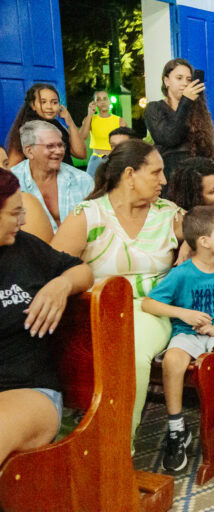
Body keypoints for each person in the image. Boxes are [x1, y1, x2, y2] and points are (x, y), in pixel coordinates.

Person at [50, 140, 184, 447]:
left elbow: (207, 236)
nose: (164, 181)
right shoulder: (88, 216)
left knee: (130, 353)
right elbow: (51, 269)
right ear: (129, 175)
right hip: (95, 311)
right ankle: (74, 436)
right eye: (156, 172)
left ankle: (120, 450)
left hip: (150, 309)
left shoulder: (168, 214)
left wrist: (189, 242)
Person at [142, 206, 214, 470]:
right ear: (204, 241)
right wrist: (183, 313)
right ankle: (176, 428)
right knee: (172, 362)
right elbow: (149, 304)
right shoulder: (181, 274)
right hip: (186, 333)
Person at [0, 168, 94, 466]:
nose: (24, 220)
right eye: (15, 213)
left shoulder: (24, 247)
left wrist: (61, 284)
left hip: (27, 388)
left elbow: (82, 270)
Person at [11, 121, 94, 232]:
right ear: (29, 151)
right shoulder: (11, 182)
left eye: (60, 145)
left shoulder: (83, 180)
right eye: (50, 146)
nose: (59, 151)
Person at [144, 58, 214, 181]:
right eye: (179, 78)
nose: (185, 83)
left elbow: (206, 150)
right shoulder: (154, 108)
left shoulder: (199, 111)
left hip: (196, 175)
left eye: (189, 79)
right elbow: (169, 138)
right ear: (166, 81)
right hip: (169, 175)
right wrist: (185, 101)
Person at [5, 84, 87, 168]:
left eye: (54, 102)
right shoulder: (27, 130)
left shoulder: (58, 126)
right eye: (43, 102)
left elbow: (81, 154)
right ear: (33, 105)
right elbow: (12, 166)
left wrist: (70, 122)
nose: (49, 107)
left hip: (66, 179)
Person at [79, 90, 127, 177]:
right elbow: (82, 137)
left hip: (114, 159)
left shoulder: (120, 121)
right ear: (95, 103)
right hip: (96, 159)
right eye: (98, 99)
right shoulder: (90, 119)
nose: (102, 102)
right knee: (91, 188)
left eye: (105, 99)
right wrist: (90, 114)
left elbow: (125, 144)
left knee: (114, 189)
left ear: (109, 101)